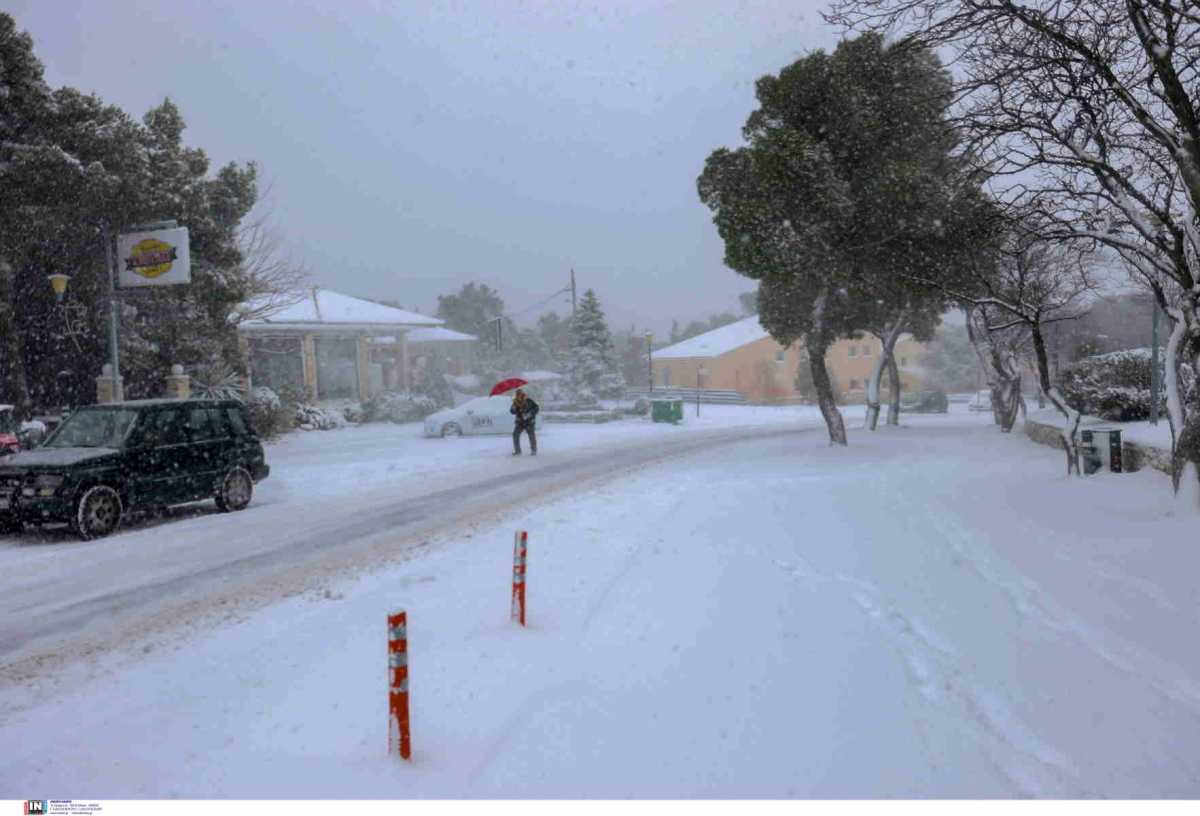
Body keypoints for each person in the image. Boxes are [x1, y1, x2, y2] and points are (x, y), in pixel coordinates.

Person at [510, 388, 539, 456]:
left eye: (519, 394)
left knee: (531, 435)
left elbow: (536, 408)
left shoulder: (528, 401)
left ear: (522, 394)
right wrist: (513, 408)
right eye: (517, 394)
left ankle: (533, 450)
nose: (518, 396)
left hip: (529, 422)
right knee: (515, 434)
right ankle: (517, 451)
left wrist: (529, 414)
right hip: (520, 422)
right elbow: (512, 411)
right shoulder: (515, 402)